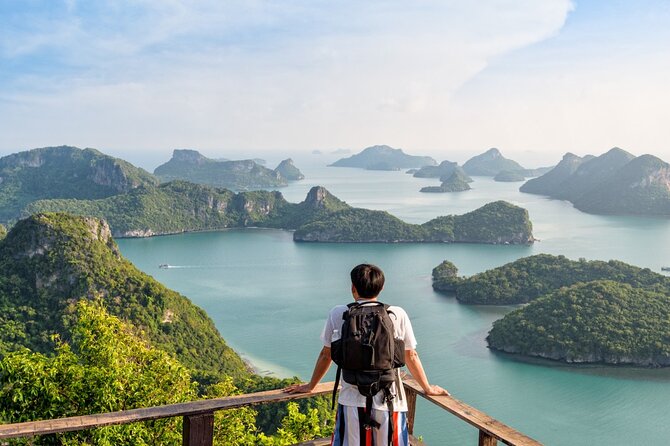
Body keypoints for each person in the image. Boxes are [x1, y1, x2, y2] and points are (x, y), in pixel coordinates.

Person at [285, 263, 449, 445]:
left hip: (351, 401)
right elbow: (411, 356)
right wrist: (427, 388)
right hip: (390, 401)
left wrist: (310, 386)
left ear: (353, 287)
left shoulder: (339, 313)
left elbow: (326, 355)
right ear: (381, 287)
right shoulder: (396, 314)